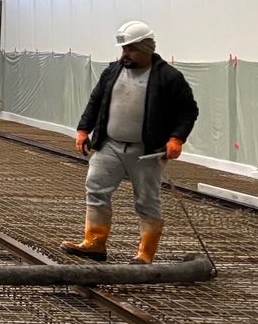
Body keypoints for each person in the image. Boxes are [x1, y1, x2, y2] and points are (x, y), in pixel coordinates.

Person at [62, 21, 198, 265]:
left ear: (147, 49)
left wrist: (176, 139)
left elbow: (188, 111)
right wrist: (83, 130)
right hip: (109, 145)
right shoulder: (112, 72)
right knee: (95, 189)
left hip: (146, 151)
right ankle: (95, 243)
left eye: (131, 49)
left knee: (147, 201)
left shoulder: (168, 77)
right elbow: (95, 102)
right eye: (124, 49)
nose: (125, 54)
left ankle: (145, 254)